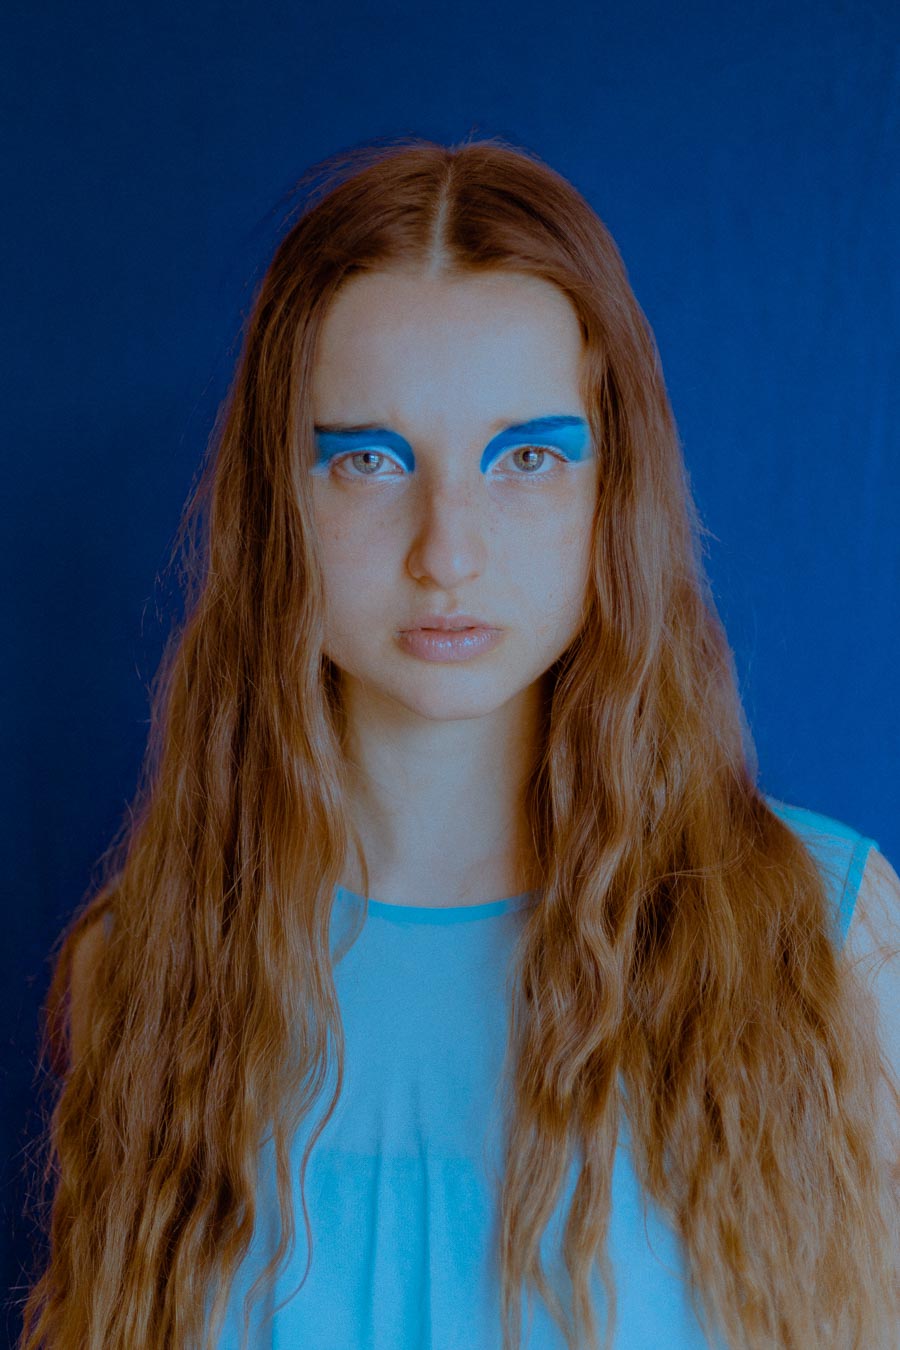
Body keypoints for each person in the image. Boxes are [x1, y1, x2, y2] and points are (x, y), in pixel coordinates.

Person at [18, 135, 900, 1350]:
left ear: (613, 490)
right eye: (370, 460)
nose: (448, 551)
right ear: (281, 500)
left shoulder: (829, 937)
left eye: (526, 457)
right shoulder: (144, 970)